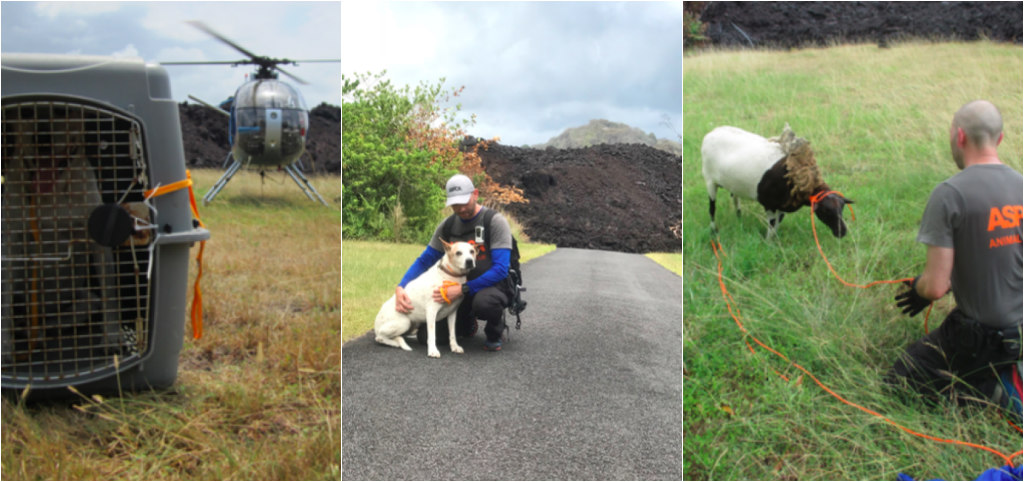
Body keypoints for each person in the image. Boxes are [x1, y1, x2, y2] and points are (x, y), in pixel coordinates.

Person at [888, 100, 1023, 406]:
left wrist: (920, 289)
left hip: (984, 338)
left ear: (960, 137)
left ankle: (991, 391)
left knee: (900, 380)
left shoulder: (949, 194)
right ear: (999, 139)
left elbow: (935, 286)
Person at [394, 174, 514, 351]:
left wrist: (463, 289)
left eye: (464, 202)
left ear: (475, 194)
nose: (461, 208)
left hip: (490, 288)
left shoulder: (495, 222)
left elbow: (501, 269)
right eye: (455, 205)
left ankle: (495, 330)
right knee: (427, 337)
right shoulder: (447, 225)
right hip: (455, 290)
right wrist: (401, 286)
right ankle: (466, 322)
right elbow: (425, 260)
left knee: (485, 303)